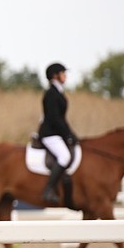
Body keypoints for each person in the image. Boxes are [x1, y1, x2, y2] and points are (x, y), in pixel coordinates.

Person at [38, 62, 76, 205]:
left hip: (56, 133)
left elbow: (62, 119)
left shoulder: (58, 92)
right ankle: (48, 189)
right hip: (50, 134)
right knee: (64, 156)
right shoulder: (51, 94)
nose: (65, 76)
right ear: (55, 76)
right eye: (63, 73)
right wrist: (67, 135)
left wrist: (71, 134)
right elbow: (55, 118)